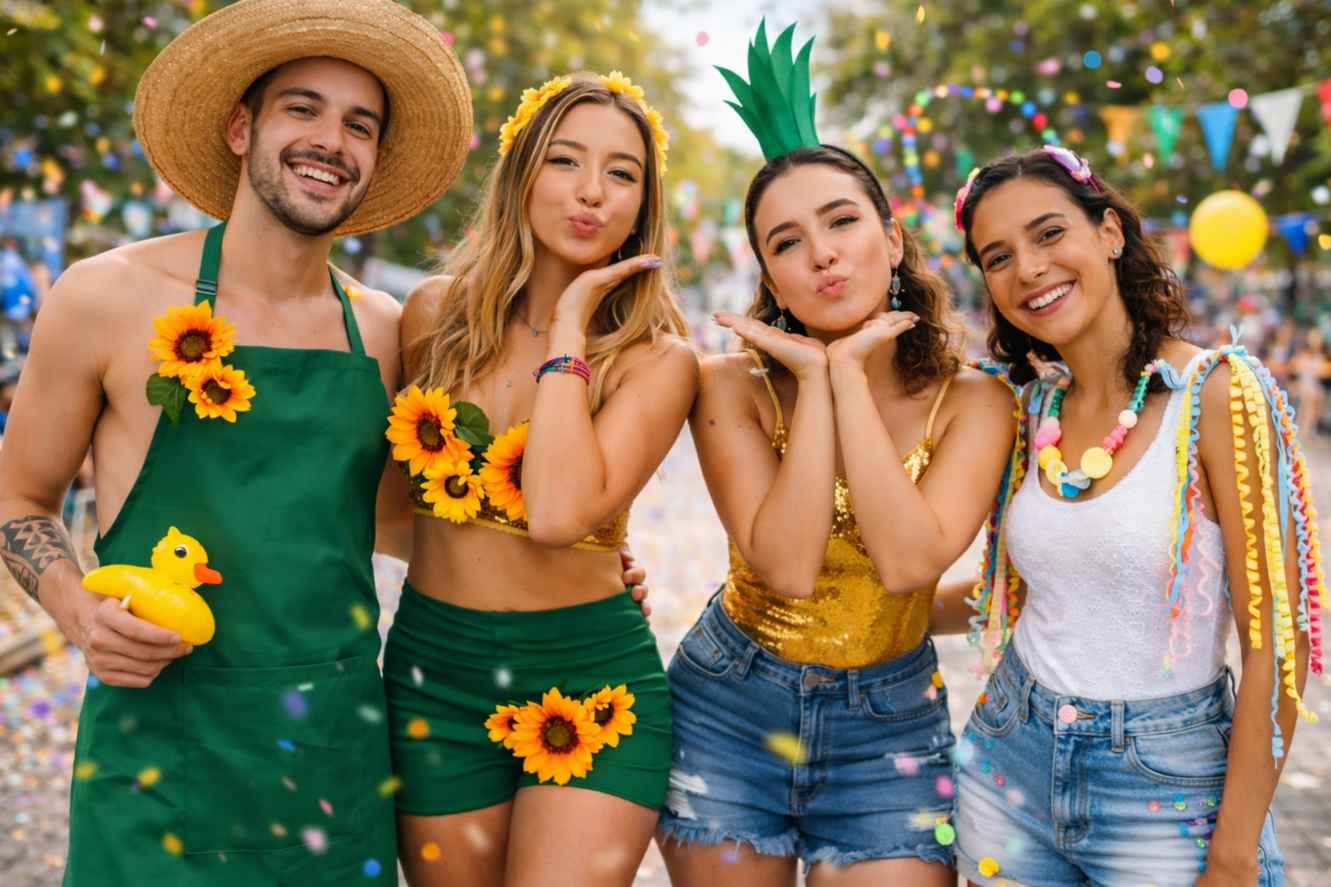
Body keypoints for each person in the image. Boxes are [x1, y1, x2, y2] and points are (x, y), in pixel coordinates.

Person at [0, 1, 476, 882]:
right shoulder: (105, 296)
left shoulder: (383, 332)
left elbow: (393, 525)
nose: (331, 140)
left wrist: (566, 559)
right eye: (303, 108)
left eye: (359, 125)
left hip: (330, 758)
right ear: (238, 126)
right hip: (156, 756)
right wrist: (78, 614)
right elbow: (18, 496)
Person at [655, 23, 1016, 886]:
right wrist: (816, 380)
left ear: (891, 241)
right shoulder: (728, 386)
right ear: (769, 279)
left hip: (888, 726)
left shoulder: (975, 401)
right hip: (726, 706)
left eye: (841, 222)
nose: (819, 253)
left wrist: (845, 374)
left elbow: (907, 561)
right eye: (785, 242)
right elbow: (782, 563)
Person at [946, 145, 1322, 887]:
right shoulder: (1032, 408)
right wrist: (832, 607)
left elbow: (1277, 644)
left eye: (1049, 233)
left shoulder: (1215, 394)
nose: (1027, 268)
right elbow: (1042, 595)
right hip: (1008, 757)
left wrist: (1233, 854)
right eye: (997, 256)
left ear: (1109, 233)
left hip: (1167, 784)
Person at [382, 71, 697, 887]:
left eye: (622, 173)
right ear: (520, 174)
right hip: (433, 671)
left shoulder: (655, 361)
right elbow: (386, 512)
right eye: (564, 161)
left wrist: (568, 327)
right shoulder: (429, 318)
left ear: (642, 203)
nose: (592, 192)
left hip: (589, 683)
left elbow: (557, 515)